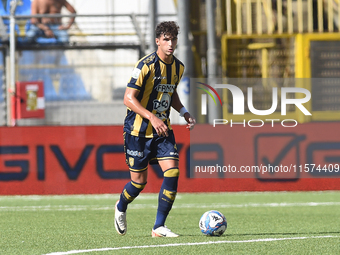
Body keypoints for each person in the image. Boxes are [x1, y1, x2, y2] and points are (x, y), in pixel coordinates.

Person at [114, 21, 196, 238]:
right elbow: (128, 98)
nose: (171, 44)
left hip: (162, 131)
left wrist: (184, 111)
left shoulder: (178, 67)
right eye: (166, 39)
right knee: (138, 183)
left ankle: (159, 226)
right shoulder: (145, 65)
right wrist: (151, 116)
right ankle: (121, 206)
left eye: (174, 39)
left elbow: (171, 93)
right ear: (158, 41)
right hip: (138, 131)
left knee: (173, 172)